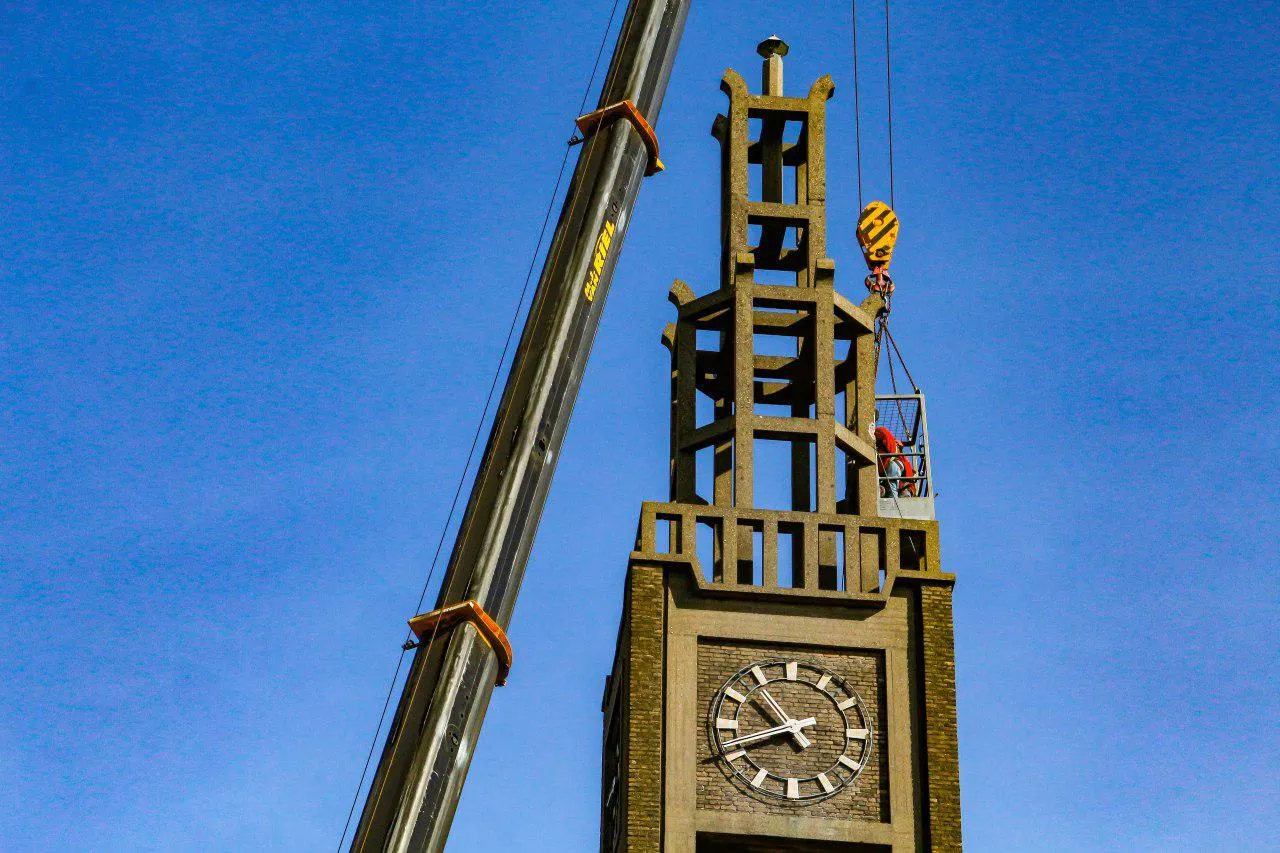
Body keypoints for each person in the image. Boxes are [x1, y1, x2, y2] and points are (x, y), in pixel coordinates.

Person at [874, 425, 917, 498]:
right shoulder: (882, 456)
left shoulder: (893, 448)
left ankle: (893, 499)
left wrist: (872, 431)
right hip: (897, 484)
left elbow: (884, 432)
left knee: (893, 467)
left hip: (903, 487)